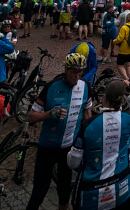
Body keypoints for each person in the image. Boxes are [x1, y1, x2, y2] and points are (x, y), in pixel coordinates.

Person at [26, 53, 91, 210]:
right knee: (39, 191)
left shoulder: (85, 86)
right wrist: (48, 114)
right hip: (47, 147)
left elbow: (88, 114)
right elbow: (31, 117)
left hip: (68, 148)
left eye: (80, 72)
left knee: (64, 190)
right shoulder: (51, 86)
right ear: (66, 69)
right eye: (73, 72)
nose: (77, 75)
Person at [67, 80, 130, 210]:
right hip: (121, 189)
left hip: (92, 192)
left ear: (104, 98)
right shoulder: (128, 120)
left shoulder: (88, 125)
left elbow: (73, 163)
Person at [112, 12, 130, 81]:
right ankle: (129, 78)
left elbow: (120, 39)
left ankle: (126, 78)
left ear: (126, 19)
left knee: (120, 65)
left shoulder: (124, 28)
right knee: (129, 65)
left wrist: (114, 41)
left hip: (124, 49)